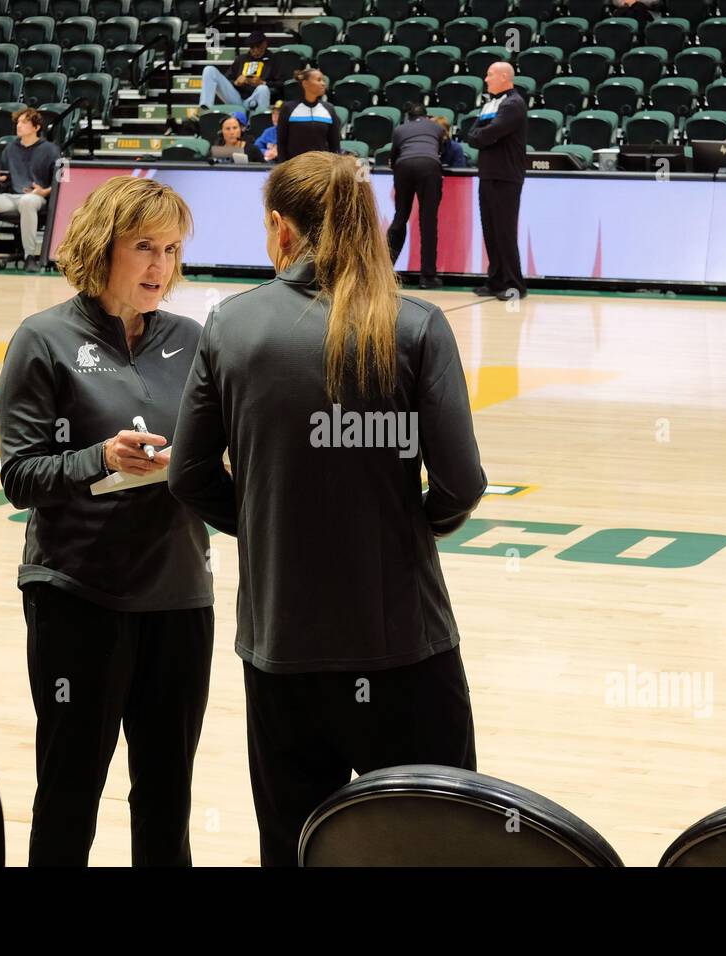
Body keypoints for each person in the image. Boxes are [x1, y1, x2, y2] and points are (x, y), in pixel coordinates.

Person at [168, 151, 486, 867]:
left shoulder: (230, 326)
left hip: (283, 649)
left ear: (280, 229)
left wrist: (260, 521)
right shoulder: (417, 326)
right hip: (404, 644)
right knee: (437, 847)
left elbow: (188, 476)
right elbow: (462, 484)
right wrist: (413, 525)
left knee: (296, 849)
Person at [0, 176, 215, 867]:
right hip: (78, 596)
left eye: (171, 250)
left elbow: (222, 457)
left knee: (167, 797)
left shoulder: (193, 340)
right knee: (69, 794)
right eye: (144, 247)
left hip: (180, 597)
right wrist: (99, 458)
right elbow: (20, 476)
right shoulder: (44, 340)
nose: (160, 266)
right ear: (102, 247)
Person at [0, 108, 61, 273]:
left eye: (24, 122)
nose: (19, 125)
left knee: (27, 201)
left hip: (36, 197)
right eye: (18, 122)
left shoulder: (50, 150)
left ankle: (29, 256)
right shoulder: (10, 148)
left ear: (36, 127)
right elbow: (5, 178)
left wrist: (45, 192)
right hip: (11, 196)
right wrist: (1, 179)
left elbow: (61, 181)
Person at [465, 61, 528, 301]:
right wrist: (482, 136)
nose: (486, 79)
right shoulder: (490, 104)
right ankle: (496, 280)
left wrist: (482, 136)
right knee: (490, 230)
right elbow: (473, 135)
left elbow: (491, 133)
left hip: (506, 175)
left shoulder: (513, 103)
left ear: (504, 76)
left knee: (504, 231)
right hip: (488, 174)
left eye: (490, 74)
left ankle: (514, 284)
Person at [387, 104, 447, 289]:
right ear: (426, 116)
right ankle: (427, 277)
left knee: (400, 218)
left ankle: (385, 273)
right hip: (429, 165)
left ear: (408, 117)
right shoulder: (436, 126)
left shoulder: (399, 129)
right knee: (428, 222)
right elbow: (442, 149)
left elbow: (393, 156)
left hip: (404, 166)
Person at [199, 30, 278, 113]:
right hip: (236, 98)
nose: (255, 50)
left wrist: (263, 83)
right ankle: (206, 108)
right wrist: (236, 82)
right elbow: (227, 80)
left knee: (263, 89)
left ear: (264, 44)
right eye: (252, 47)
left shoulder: (274, 60)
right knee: (209, 70)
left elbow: (281, 84)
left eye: (258, 46)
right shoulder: (241, 59)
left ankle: (260, 119)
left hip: (255, 98)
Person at [277, 68, 341, 163]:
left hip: (321, 168)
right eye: (319, 80)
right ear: (305, 83)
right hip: (295, 168)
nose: (323, 84)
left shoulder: (329, 109)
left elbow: (335, 144)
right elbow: (281, 142)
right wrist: (282, 167)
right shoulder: (288, 108)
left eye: (323, 80)